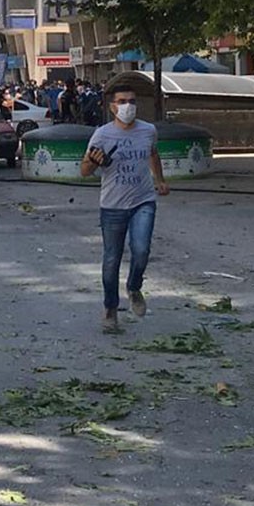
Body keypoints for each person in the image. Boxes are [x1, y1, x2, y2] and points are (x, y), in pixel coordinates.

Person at [79, 85, 170, 333]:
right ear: (112, 107)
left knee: (141, 249)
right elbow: (85, 171)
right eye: (121, 101)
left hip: (143, 200)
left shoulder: (148, 130)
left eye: (131, 101)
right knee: (111, 259)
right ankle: (110, 307)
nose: (126, 106)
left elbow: (153, 154)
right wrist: (93, 161)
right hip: (112, 206)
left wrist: (160, 180)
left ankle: (134, 286)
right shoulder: (102, 135)